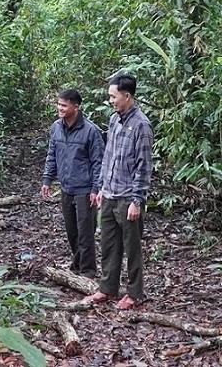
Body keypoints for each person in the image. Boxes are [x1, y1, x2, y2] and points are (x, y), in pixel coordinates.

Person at [83, 73, 154, 309]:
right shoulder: (114, 120)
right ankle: (108, 288)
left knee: (132, 248)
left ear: (127, 96)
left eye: (113, 96)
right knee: (109, 244)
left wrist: (137, 200)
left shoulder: (141, 125)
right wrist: (102, 187)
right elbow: (108, 156)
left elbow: (144, 166)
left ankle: (134, 293)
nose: (111, 100)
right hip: (110, 193)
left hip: (127, 197)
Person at [41, 89, 105, 278]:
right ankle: (77, 265)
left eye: (64, 105)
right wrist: (47, 179)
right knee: (72, 231)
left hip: (85, 189)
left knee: (86, 232)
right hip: (66, 187)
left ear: (75, 107)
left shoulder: (90, 131)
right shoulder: (56, 128)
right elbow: (52, 155)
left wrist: (96, 188)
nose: (59, 108)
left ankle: (88, 271)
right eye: (58, 104)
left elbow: (98, 162)